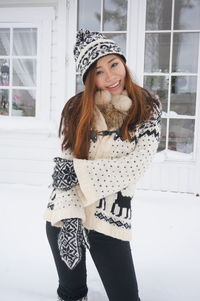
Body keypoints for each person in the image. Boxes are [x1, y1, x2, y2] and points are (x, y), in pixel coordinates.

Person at [44, 29, 161, 301]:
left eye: (114, 64)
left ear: (123, 63)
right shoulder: (76, 109)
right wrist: (69, 218)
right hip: (66, 208)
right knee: (71, 293)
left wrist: (76, 171)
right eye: (98, 71)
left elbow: (136, 165)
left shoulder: (146, 107)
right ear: (88, 79)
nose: (110, 77)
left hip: (109, 214)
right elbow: (64, 163)